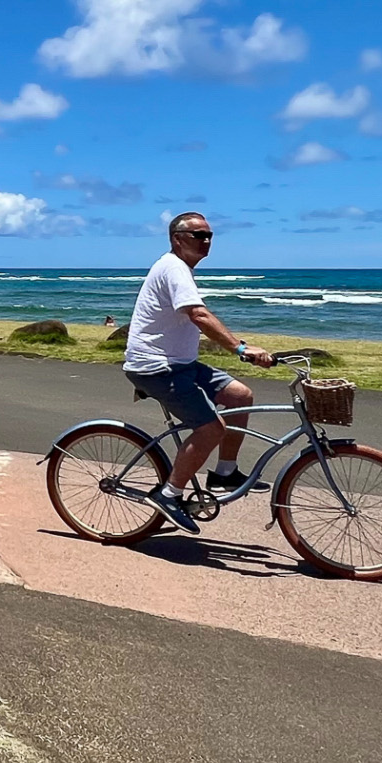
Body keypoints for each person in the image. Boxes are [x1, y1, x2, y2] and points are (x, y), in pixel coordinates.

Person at [123, 212, 274, 534]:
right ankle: (169, 495)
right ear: (178, 238)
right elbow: (199, 315)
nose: (206, 241)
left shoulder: (180, 269)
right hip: (156, 367)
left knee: (239, 396)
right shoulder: (174, 268)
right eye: (198, 235)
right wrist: (241, 349)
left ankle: (224, 471)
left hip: (182, 364)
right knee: (210, 429)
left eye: (209, 236)